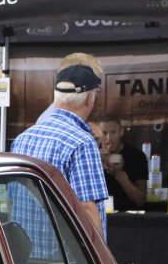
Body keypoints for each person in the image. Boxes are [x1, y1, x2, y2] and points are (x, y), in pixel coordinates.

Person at [11, 63, 109, 239]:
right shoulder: (82, 142)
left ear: (56, 95)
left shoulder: (22, 138)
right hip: (64, 253)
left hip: (22, 249)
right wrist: (102, 255)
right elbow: (87, 208)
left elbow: (13, 198)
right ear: (90, 99)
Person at [92, 117, 147, 210]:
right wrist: (97, 163)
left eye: (113, 132)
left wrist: (119, 174)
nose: (109, 138)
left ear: (121, 132)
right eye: (104, 133)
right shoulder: (91, 157)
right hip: (100, 214)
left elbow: (140, 200)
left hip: (128, 215)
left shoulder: (136, 156)